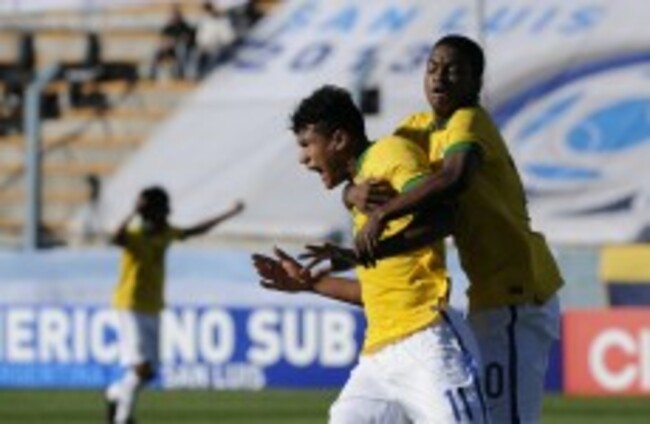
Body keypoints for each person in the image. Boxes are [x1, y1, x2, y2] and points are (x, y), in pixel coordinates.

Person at [346, 35, 563, 424]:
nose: (439, 77)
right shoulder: (419, 127)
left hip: (519, 291)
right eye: (432, 68)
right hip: (489, 295)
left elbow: (453, 178)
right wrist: (352, 192)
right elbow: (368, 161)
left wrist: (383, 214)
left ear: (475, 81)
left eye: (453, 70)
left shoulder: (470, 120)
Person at [252, 85, 488, 423]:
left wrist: (373, 242)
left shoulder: (390, 153)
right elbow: (374, 291)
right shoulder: (361, 189)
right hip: (379, 358)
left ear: (338, 139)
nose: (303, 158)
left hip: (428, 338)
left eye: (307, 144)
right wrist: (310, 283)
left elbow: (443, 217)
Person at [105, 186, 244, 424]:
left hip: (153, 307)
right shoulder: (135, 235)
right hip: (130, 305)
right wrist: (132, 212)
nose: (168, 213)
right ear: (153, 212)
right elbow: (115, 238)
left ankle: (116, 393)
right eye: (163, 209)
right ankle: (122, 418)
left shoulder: (166, 233)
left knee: (149, 371)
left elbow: (195, 230)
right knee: (141, 367)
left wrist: (229, 213)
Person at [149, 3, 195, 80]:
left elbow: (189, 39)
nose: (174, 17)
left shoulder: (185, 27)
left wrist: (177, 41)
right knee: (156, 51)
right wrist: (165, 44)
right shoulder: (168, 27)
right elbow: (162, 38)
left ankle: (180, 74)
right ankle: (152, 74)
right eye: (172, 15)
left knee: (181, 50)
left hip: (179, 49)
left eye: (175, 15)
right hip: (168, 49)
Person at [193, 1, 237, 79]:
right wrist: (200, 43)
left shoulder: (222, 21)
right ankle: (199, 76)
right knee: (199, 60)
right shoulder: (204, 19)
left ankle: (211, 77)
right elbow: (201, 34)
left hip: (216, 46)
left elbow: (228, 37)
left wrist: (220, 43)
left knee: (212, 62)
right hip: (203, 46)